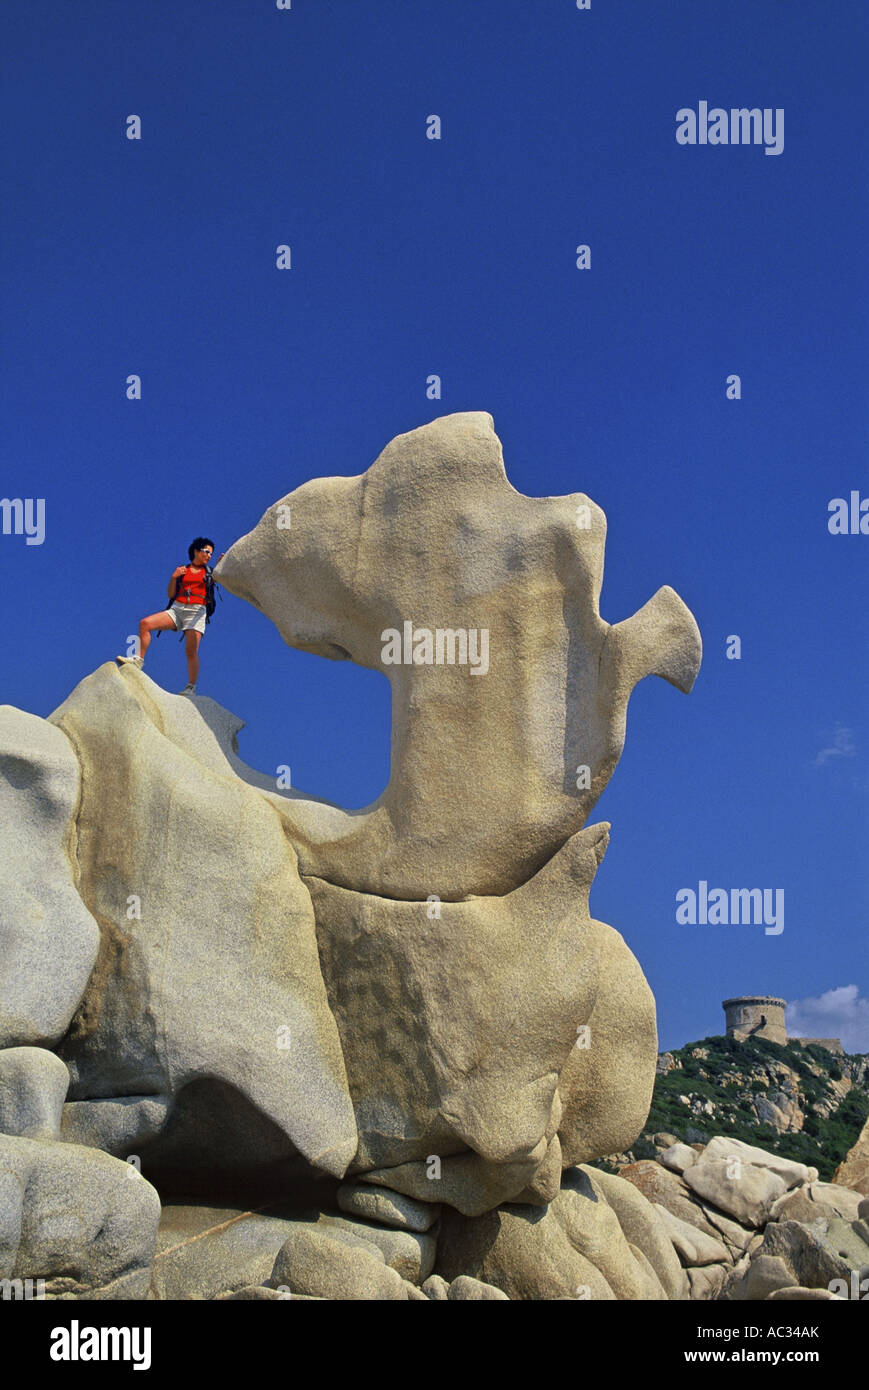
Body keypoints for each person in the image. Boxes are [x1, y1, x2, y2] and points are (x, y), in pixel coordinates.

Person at [116, 537, 224, 695]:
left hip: (196, 611)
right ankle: (138, 660)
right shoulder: (183, 570)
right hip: (177, 608)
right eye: (206, 552)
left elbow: (221, 576)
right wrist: (174, 577)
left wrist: (221, 565)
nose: (209, 556)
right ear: (196, 551)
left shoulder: (209, 573)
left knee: (191, 651)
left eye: (211, 554)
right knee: (145, 623)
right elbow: (171, 594)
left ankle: (191, 687)